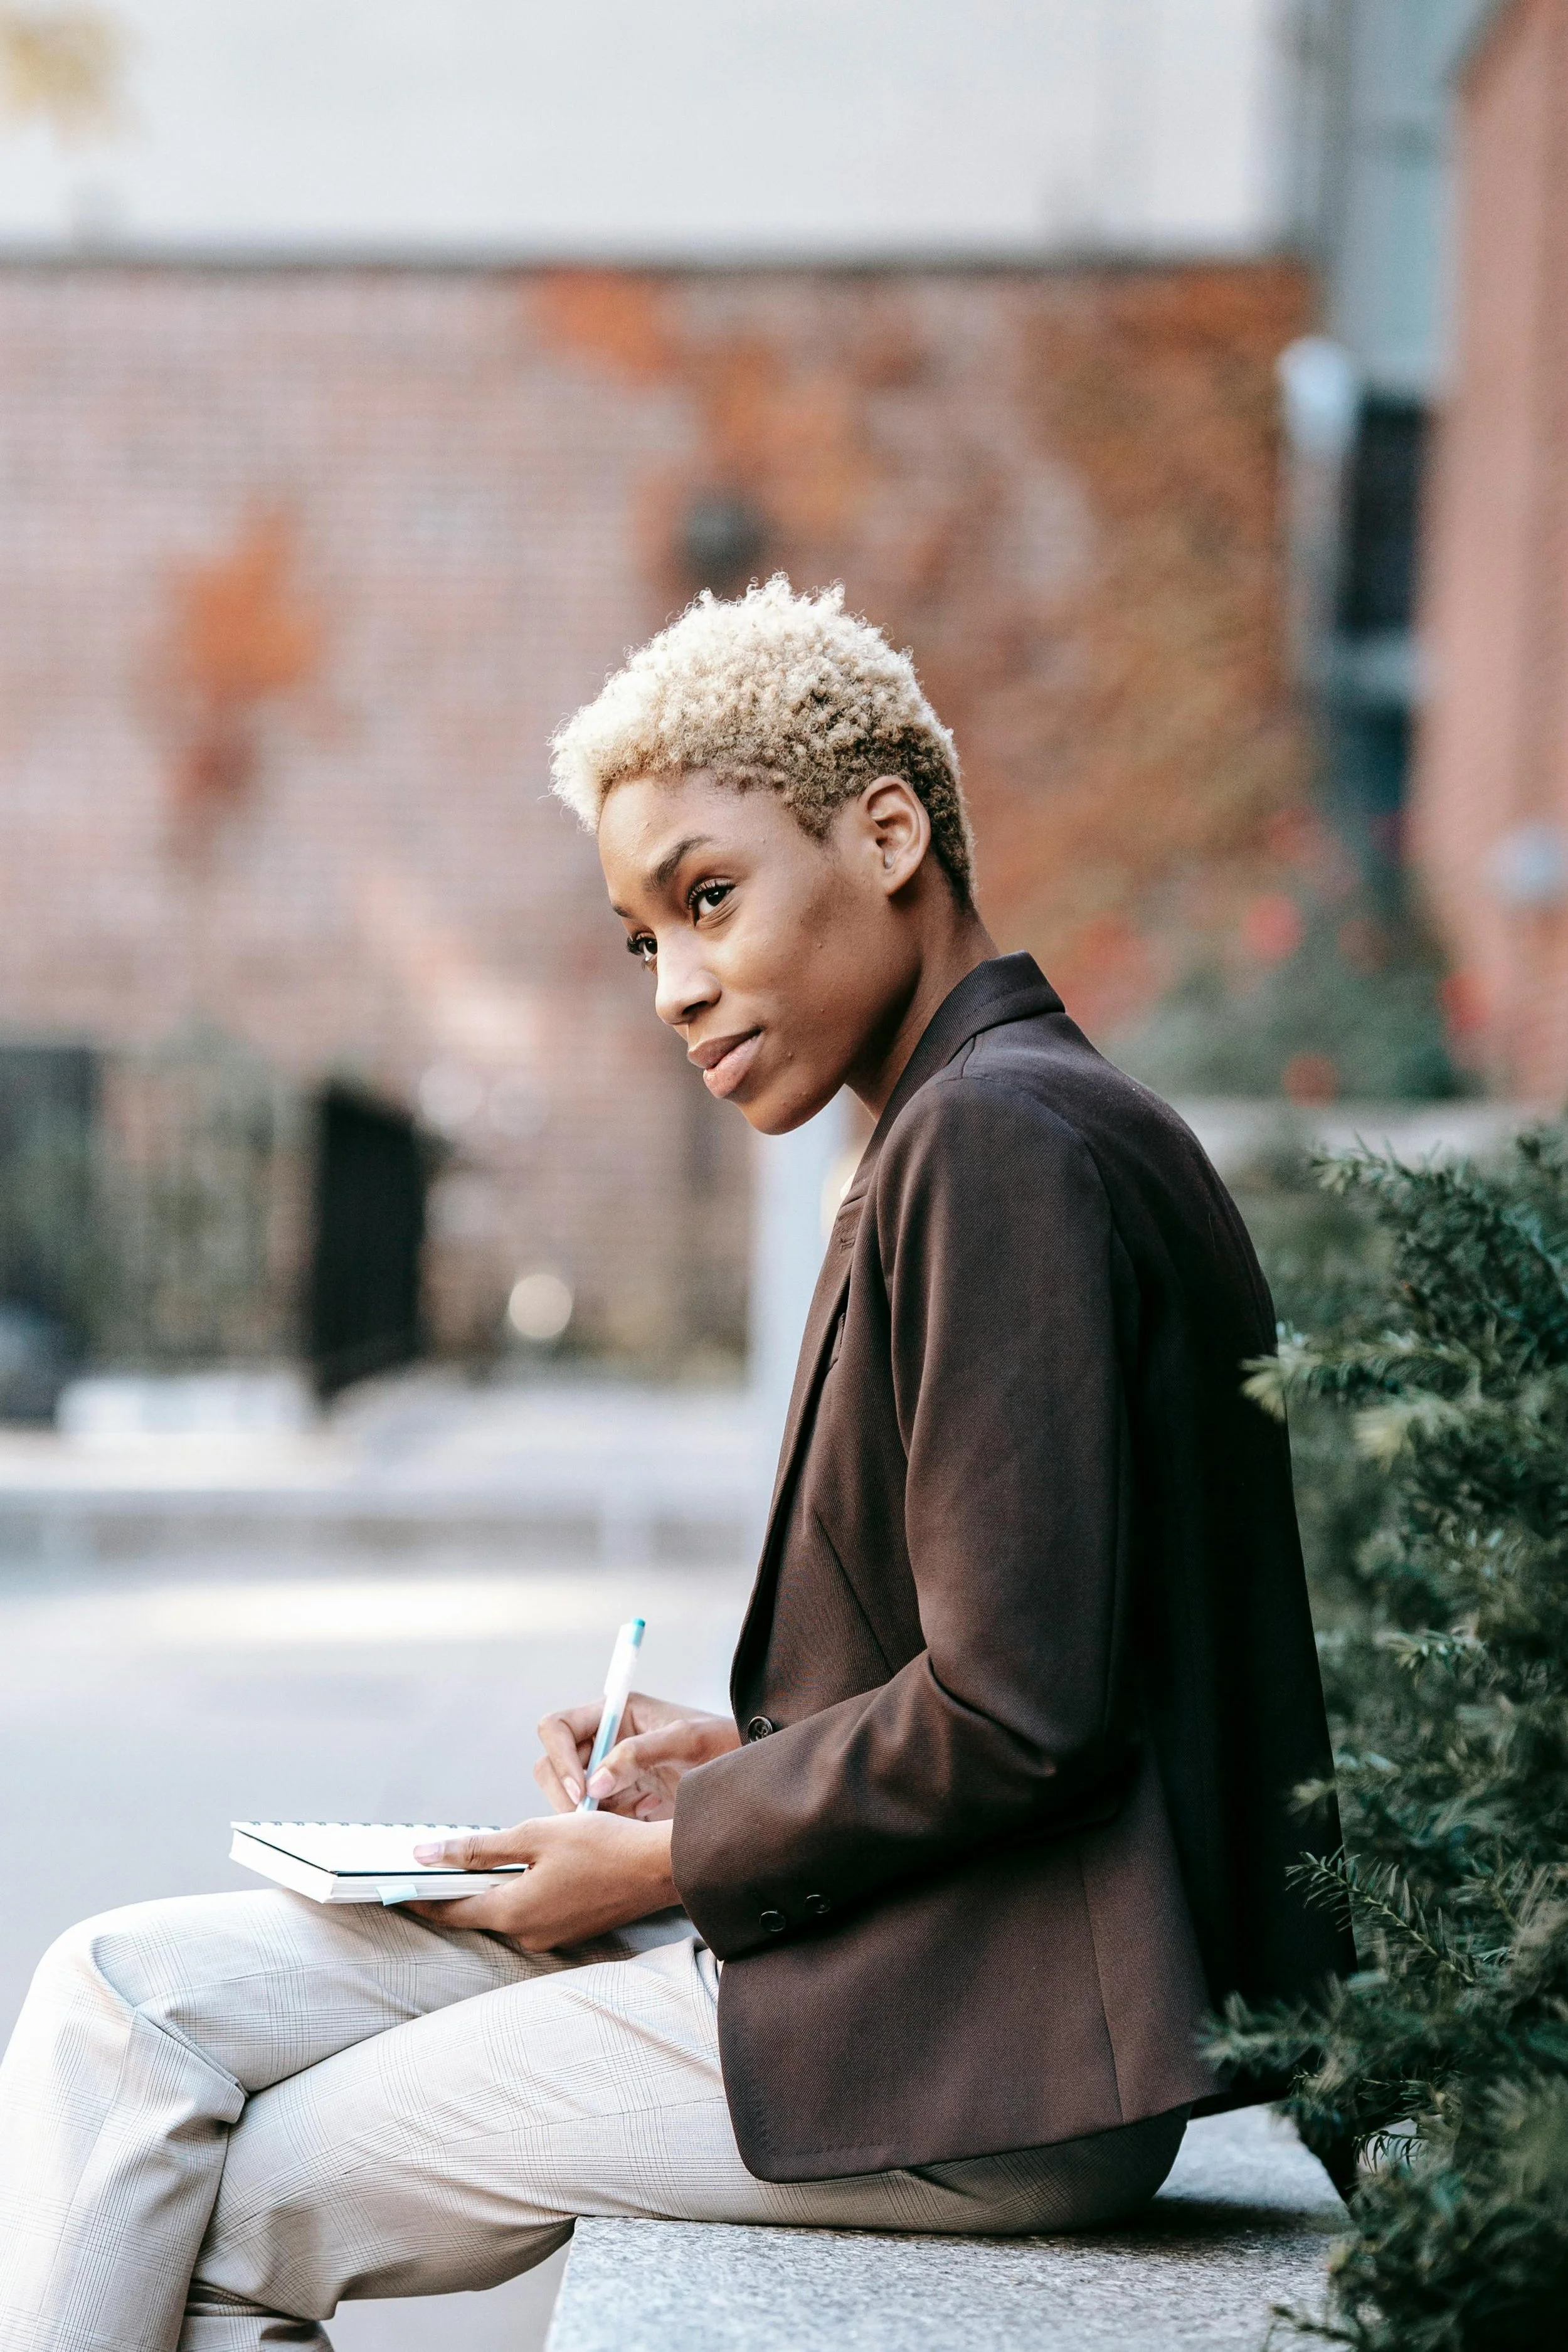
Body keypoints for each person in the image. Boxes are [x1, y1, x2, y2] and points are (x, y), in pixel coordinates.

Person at [0, 580, 1353, 2352]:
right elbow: (1034, 1645)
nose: (677, 984)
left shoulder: (1000, 1142)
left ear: (886, 833)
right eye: (644, 938)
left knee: (238, 2196)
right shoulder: (978, 1121)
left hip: (977, 2047)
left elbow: (1025, 1707)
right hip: (913, 1965)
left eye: (708, 897)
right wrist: (723, 1765)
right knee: (117, 1993)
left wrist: (653, 1863)